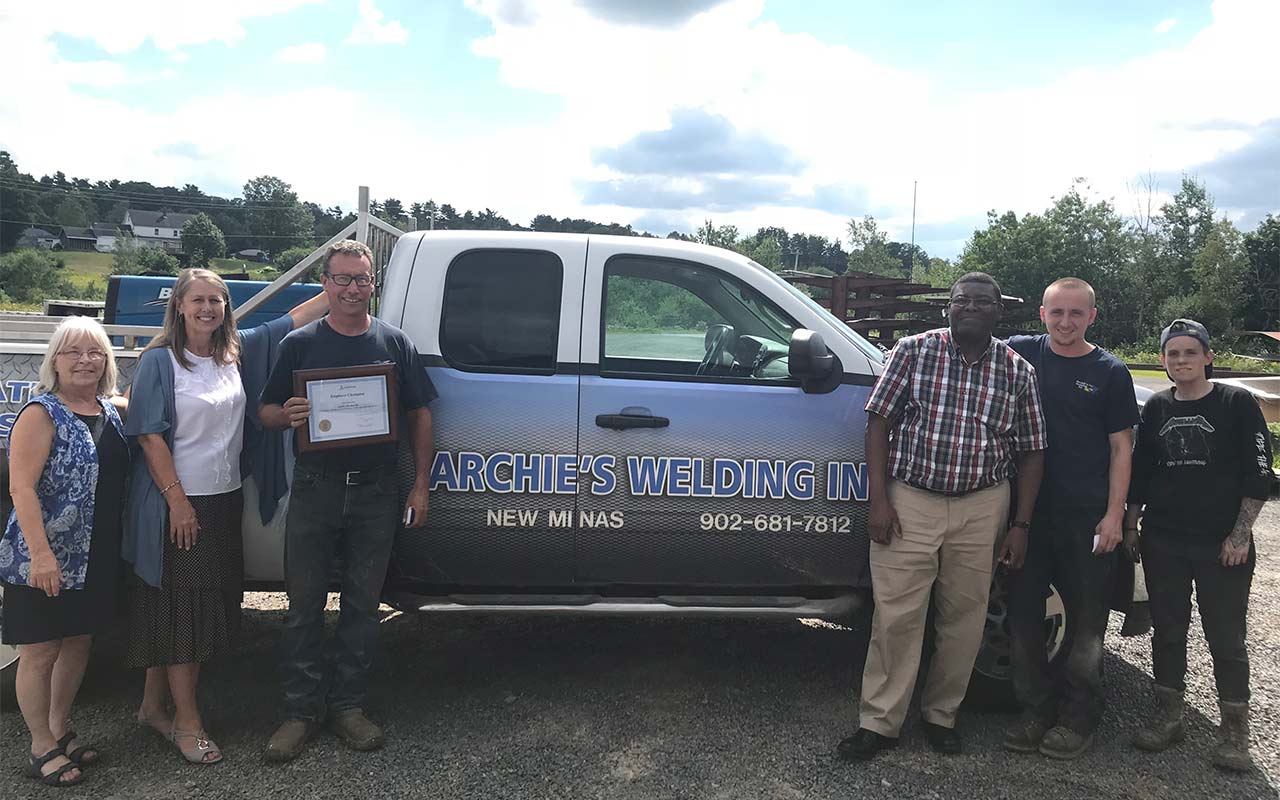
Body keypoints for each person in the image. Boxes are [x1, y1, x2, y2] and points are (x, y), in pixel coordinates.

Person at [122, 268, 328, 765]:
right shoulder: (159, 362)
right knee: (186, 613)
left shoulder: (237, 352)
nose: (208, 308)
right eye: (198, 300)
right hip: (179, 502)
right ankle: (187, 724)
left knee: (183, 606)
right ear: (179, 306)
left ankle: (151, 707)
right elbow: (148, 434)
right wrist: (177, 503)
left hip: (224, 497)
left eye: (216, 300)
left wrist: (343, 286)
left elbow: (290, 319)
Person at [838, 272, 1047, 761]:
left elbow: (1033, 452)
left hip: (982, 506)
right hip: (910, 501)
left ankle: (941, 715)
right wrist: (879, 501)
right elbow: (878, 423)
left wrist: (1020, 525)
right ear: (947, 309)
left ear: (999, 311)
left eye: (982, 302)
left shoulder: (1019, 372)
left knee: (965, 619)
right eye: (961, 300)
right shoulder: (913, 352)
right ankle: (880, 722)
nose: (970, 307)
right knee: (896, 618)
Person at [259, 240, 437, 763]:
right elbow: (266, 411)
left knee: (362, 607)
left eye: (361, 279)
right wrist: (287, 414)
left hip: (377, 491)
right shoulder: (299, 344)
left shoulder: (395, 343)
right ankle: (299, 713)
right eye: (342, 279)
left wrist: (420, 483)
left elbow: (421, 415)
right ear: (325, 285)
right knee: (303, 607)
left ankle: (348, 709)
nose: (352, 288)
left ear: (372, 284)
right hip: (316, 486)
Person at [1124, 318, 1273, 772]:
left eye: (1190, 352)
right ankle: (1169, 716)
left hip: (1222, 544)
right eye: (1173, 354)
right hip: (1164, 540)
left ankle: (1234, 733)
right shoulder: (1157, 409)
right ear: (1164, 360)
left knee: (1226, 638)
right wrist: (1132, 526)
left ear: (1208, 356)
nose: (1181, 360)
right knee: (1168, 632)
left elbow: (1259, 472)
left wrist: (1240, 534)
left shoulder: (1236, 403)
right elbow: (1141, 472)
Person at [1003, 278, 1139, 759]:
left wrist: (1114, 516)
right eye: (1057, 313)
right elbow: (964, 340)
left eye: (1076, 314)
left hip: (1086, 518)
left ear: (1092, 318)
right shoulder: (1019, 353)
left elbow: (1121, 447)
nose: (1065, 323)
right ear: (1042, 314)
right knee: (1023, 619)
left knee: (1085, 624)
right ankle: (1035, 710)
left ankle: (1079, 718)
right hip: (1026, 516)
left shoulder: (1110, 372)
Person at [1, 317, 127, 787]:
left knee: (78, 643)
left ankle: (58, 730)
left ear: (107, 361)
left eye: (95, 352)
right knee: (39, 650)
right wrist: (42, 555)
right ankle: (39, 746)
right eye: (73, 352)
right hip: (46, 558)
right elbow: (21, 488)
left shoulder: (109, 410)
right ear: (55, 360)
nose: (85, 360)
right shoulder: (41, 413)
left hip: (94, 558)